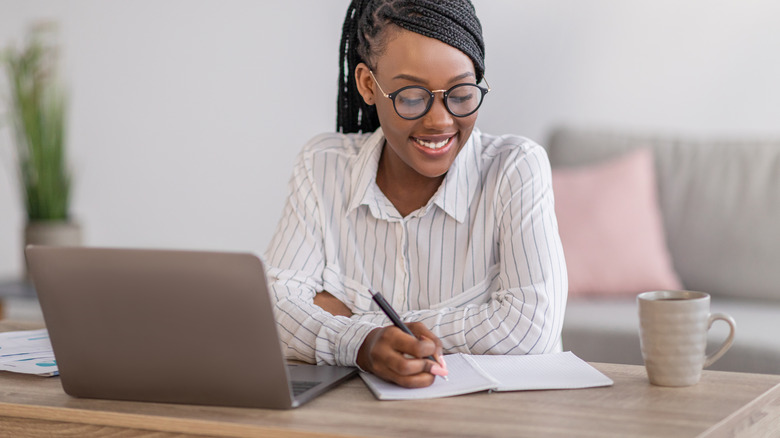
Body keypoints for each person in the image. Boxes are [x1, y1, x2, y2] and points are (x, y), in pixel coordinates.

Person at [265, 0, 567, 388]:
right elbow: (272, 310)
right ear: (368, 85)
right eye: (411, 96)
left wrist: (360, 333)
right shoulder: (323, 165)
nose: (440, 120)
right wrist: (364, 342)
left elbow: (531, 326)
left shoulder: (515, 167)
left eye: (460, 93)